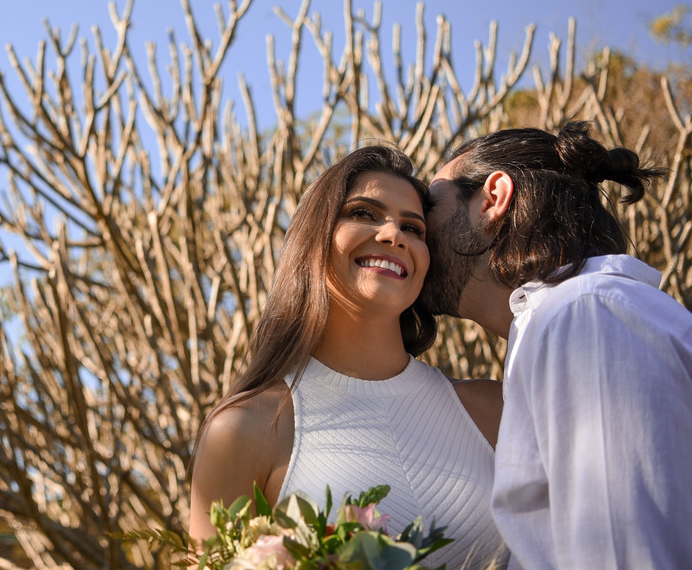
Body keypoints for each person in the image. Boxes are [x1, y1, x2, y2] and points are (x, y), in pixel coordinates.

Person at [421, 120, 692, 569]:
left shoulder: (587, 318)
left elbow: (621, 557)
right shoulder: (563, 321)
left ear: (492, 199)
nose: (413, 230)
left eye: (431, 203)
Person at [190, 145, 508, 570]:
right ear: (314, 238)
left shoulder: (494, 411)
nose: (394, 234)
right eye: (364, 213)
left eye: (414, 228)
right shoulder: (243, 429)